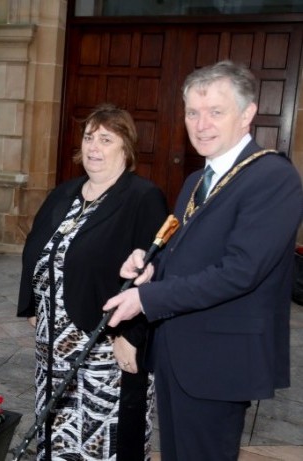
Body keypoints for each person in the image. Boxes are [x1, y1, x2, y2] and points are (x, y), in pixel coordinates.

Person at [103, 61, 303, 460]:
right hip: (180, 351)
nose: (201, 123)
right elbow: (189, 251)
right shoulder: (198, 179)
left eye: (216, 111)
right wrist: (151, 264)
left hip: (221, 361)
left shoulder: (273, 178)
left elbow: (241, 272)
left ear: (247, 114)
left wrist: (147, 300)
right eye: (193, 112)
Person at [17, 104, 168, 460]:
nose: (93, 147)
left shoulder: (142, 198)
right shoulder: (64, 193)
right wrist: (33, 303)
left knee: (103, 439)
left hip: (104, 344)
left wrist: (132, 336)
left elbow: (153, 274)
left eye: (106, 139)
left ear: (125, 148)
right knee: (57, 435)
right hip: (53, 344)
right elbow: (37, 246)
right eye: (88, 138)